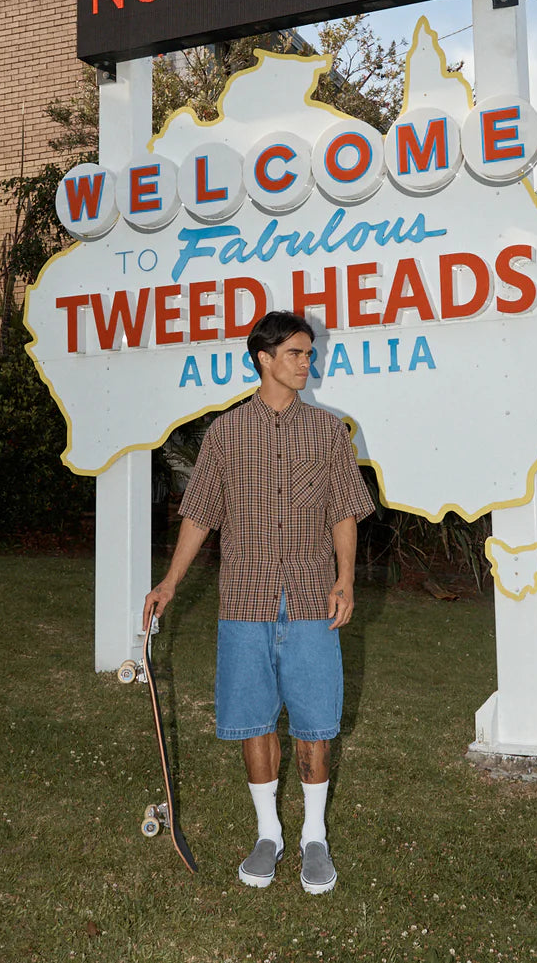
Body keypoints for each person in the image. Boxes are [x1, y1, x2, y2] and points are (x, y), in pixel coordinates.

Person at [143, 310, 374, 894]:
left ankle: (314, 837)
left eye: (309, 353)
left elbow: (344, 510)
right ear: (264, 358)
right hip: (244, 598)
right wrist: (169, 582)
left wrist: (345, 579)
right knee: (253, 717)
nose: (307, 362)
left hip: (310, 597)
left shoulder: (327, 432)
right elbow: (199, 514)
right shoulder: (225, 433)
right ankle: (268, 832)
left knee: (315, 721)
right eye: (297, 353)